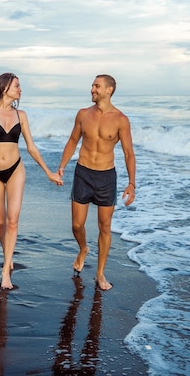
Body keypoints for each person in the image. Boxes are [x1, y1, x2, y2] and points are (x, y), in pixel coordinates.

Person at [0, 72, 62, 290]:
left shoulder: (21, 115)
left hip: (16, 170)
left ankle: (6, 270)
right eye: (17, 85)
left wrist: (48, 172)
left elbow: (31, 147)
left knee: (13, 221)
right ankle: (7, 253)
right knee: (0, 221)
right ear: (4, 87)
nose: (20, 89)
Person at [57, 74, 136, 291]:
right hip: (83, 173)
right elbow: (73, 140)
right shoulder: (83, 114)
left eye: (96, 86)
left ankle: (100, 273)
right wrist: (62, 166)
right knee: (77, 224)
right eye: (93, 85)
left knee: (105, 226)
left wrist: (131, 184)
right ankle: (83, 248)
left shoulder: (121, 119)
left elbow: (129, 153)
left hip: (105, 177)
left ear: (109, 90)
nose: (92, 89)